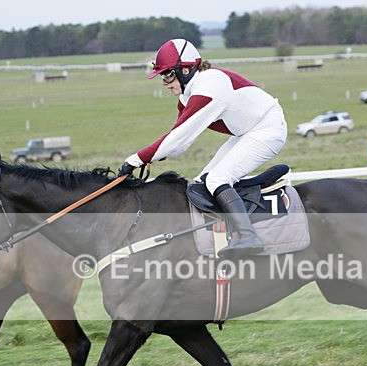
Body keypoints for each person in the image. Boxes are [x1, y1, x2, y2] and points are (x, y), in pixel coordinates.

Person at [118, 38, 288, 258]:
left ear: (186, 70)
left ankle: (249, 237)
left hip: (268, 129)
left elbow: (177, 139)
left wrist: (135, 160)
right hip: (248, 132)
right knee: (200, 183)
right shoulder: (188, 94)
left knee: (217, 180)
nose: (164, 82)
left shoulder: (210, 86)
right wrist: (150, 157)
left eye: (168, 74)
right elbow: (179, 142)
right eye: (162, 76)